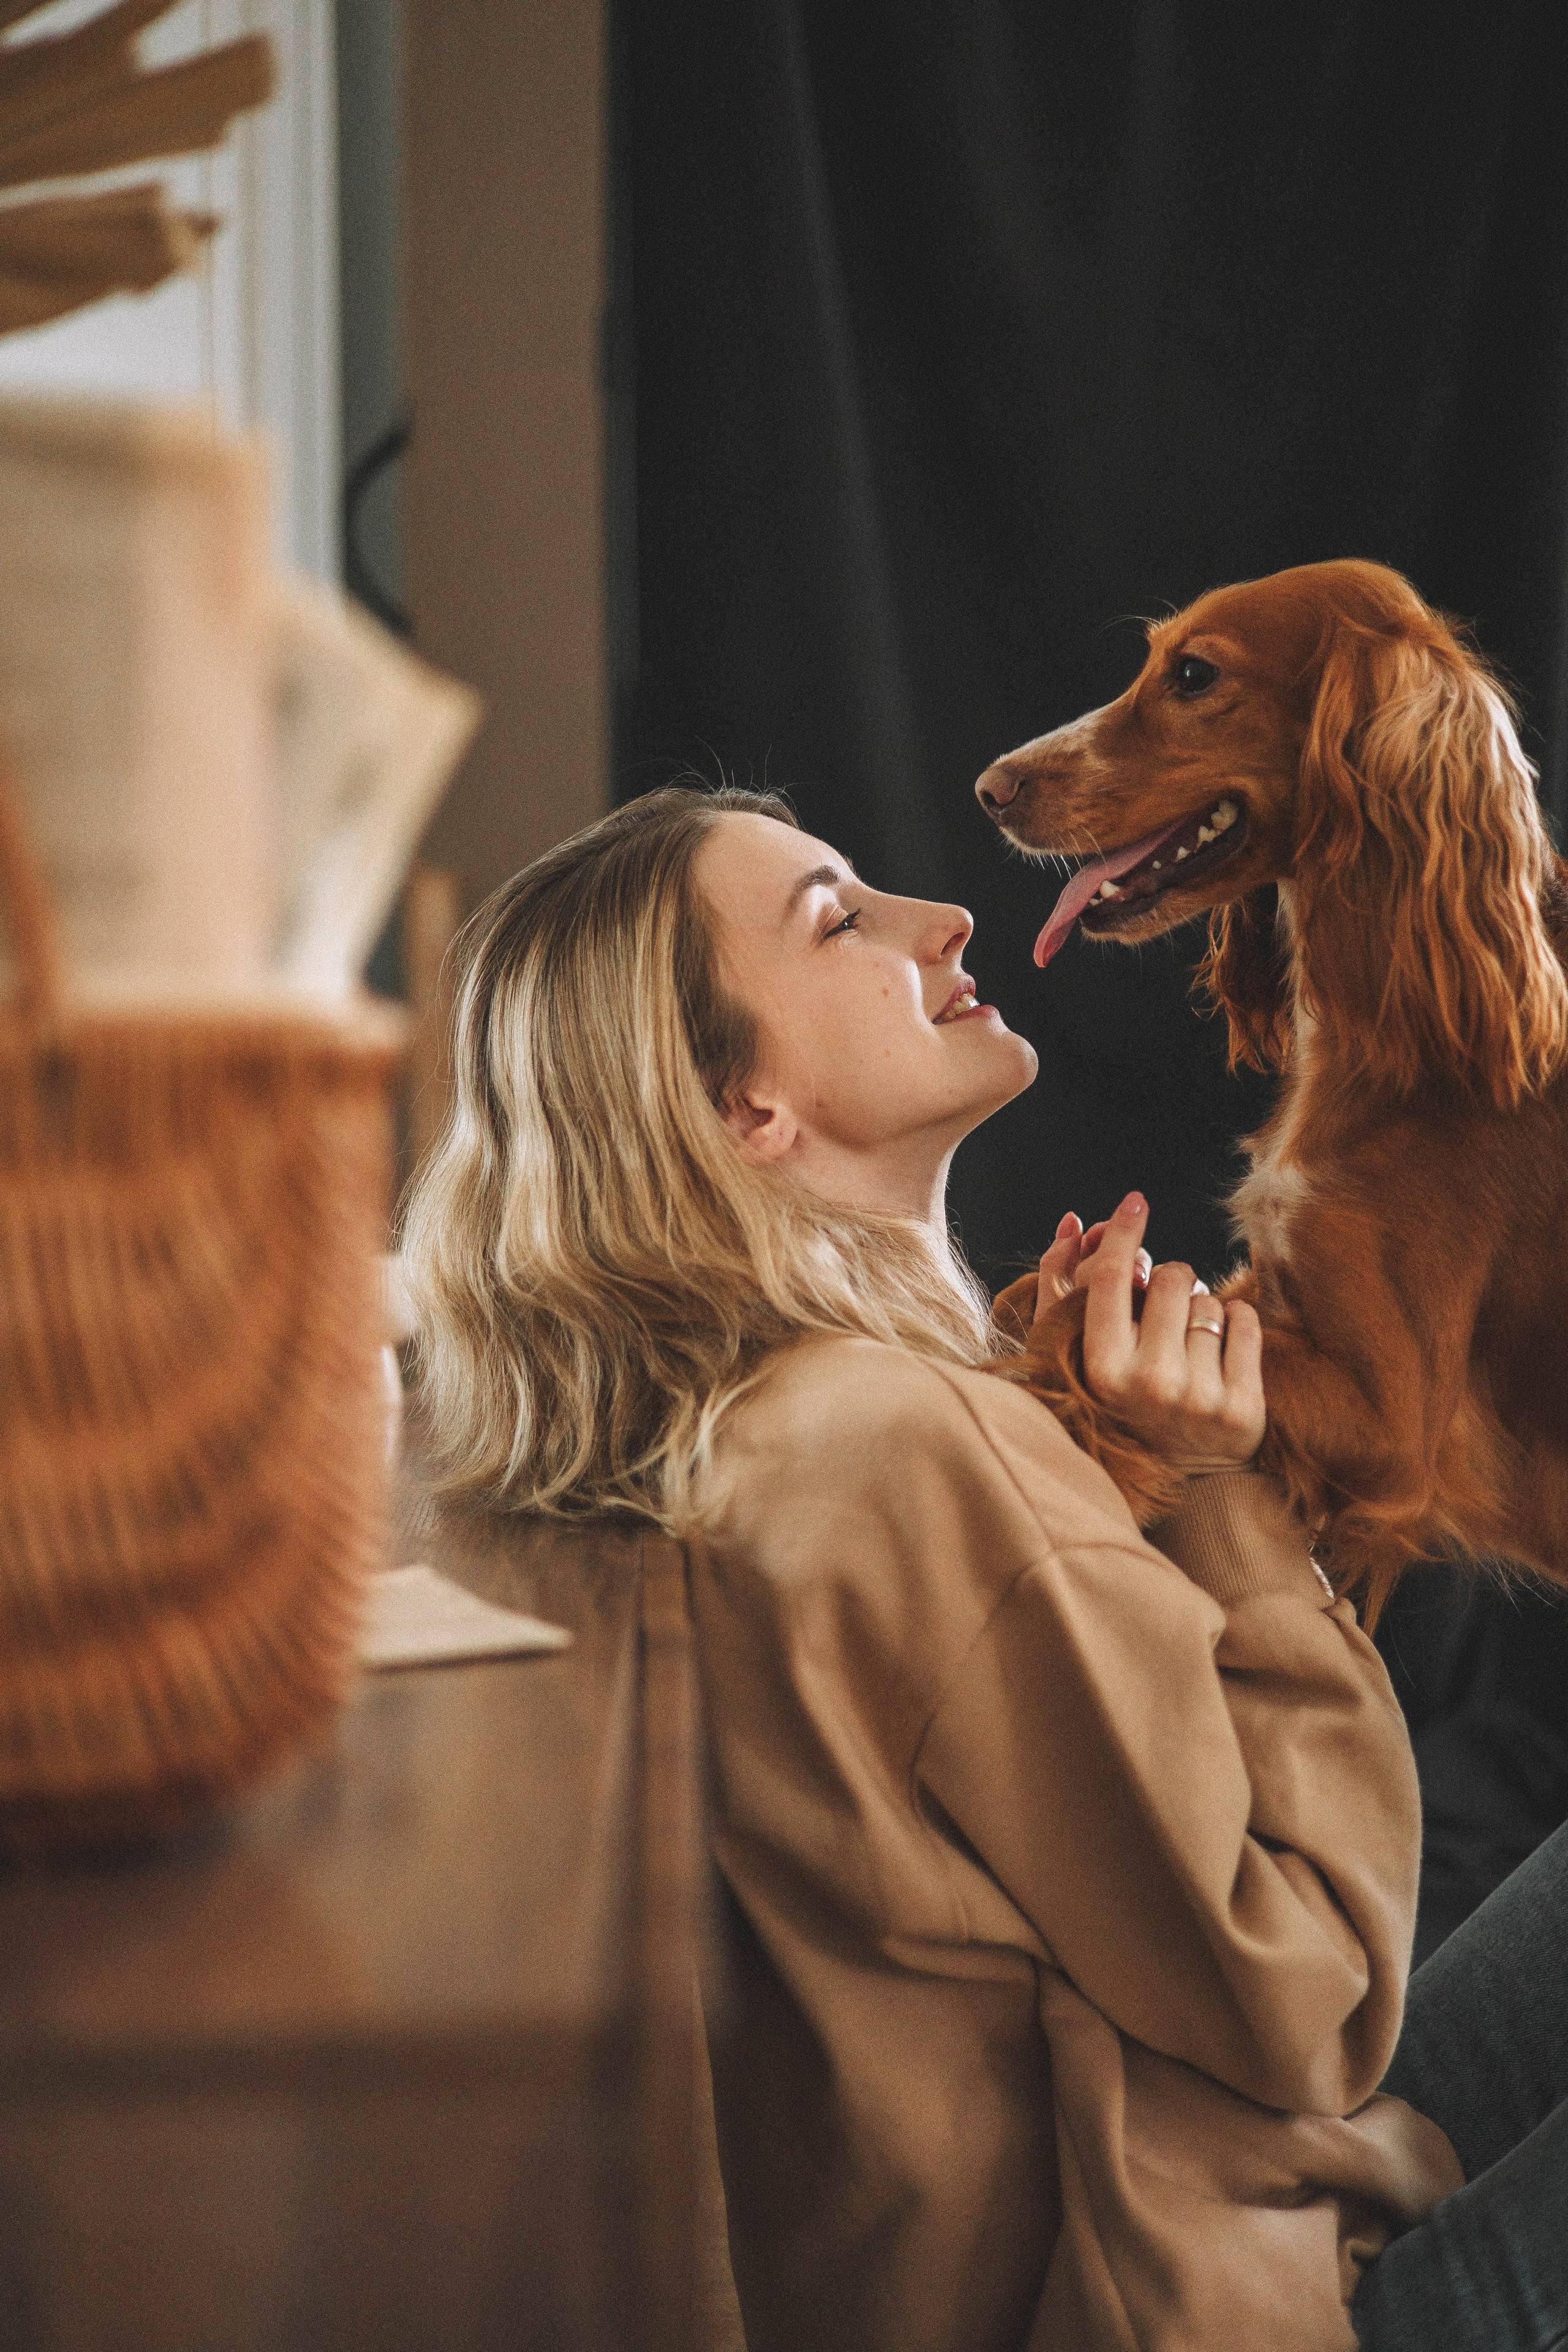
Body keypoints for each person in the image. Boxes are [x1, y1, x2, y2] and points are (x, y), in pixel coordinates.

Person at [401, 785, 1568, 2352]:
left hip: (1169, 2213)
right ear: (742, 1110)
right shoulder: (899, 1451)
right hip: (1221, 2304)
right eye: (837, 920)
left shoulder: (723, 1439)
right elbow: (1310, 2002)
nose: (936, 919)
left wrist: (1094, 1458)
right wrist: (1222, 1501)